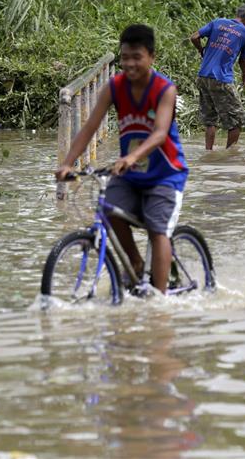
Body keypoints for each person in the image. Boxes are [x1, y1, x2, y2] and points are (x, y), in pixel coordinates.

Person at [55, 24, 188, 294]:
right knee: (107, 210)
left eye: (136, 57)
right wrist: (67, 163)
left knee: (157, 229)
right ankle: (136, 264)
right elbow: (90, 127)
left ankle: (158, 302)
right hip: (130, 173)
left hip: (166, 174)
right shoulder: (114, 87)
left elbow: (160, 133)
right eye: (125, 57)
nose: (129, 64)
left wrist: (131, 157)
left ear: (152, 56)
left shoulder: (165, 89)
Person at [190, 4, 245, 150]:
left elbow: (194, 37)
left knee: (210, 120)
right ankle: (230, 157)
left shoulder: (218, 22)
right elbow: (243, 60)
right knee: (237, 121)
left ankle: (209, 153)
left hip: (203, 76)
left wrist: (202, 51)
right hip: (221, 79)